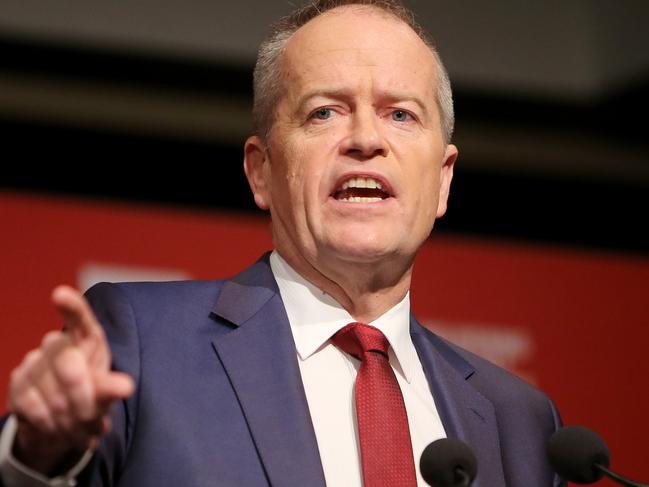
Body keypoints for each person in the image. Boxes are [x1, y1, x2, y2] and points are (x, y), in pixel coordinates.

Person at [0, 1, 565, 486]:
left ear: (443, 180)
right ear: (261, 171)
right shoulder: (142, 344)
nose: (366, 140)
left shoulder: (520, 421)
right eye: (324, 112)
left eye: (400, 114)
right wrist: (39, 454)